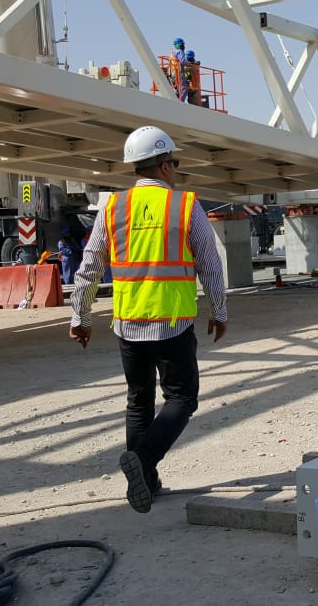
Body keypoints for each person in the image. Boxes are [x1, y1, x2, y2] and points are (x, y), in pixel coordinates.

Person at [69, 125, 229, 514]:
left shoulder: (112, 207)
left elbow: (89, 267)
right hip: (172, 321)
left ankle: (147, 482)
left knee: (138, 402)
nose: (176, 169)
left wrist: (81, 315)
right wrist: (219, 311)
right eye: (174, 161)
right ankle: (142, 460)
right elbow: (210, 264)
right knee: (181, 398)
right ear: (163, 165)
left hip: (128, 322)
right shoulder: (185, 206)